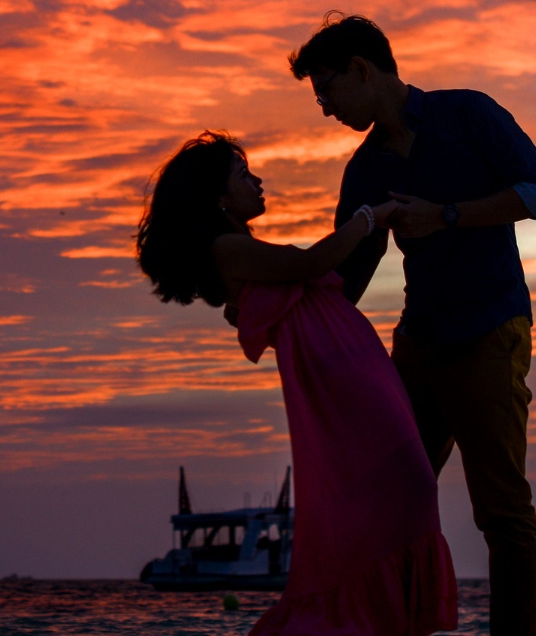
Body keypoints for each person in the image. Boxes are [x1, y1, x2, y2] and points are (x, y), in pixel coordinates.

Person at [289, 14, 536, 636]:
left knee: (502, 511)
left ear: (363, 70)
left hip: (491, 331)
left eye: (326, 89)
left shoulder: (469, 114)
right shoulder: (363, 172)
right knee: (388, 502)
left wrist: (448, 215)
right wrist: (285, 311)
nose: (324, 107)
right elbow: (347, 279)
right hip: (417, 346)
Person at [137, 132, 457, 636]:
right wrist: (370, 218)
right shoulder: (228, 248)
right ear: (218, 196)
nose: (256, 181)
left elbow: (277, 295)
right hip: (338, 377)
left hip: (350, 364)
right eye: (243, 175)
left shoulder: (238, 249)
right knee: (409, 485)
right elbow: (309, 264)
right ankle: (369, 619)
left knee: (404, 487)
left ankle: (384, 618)